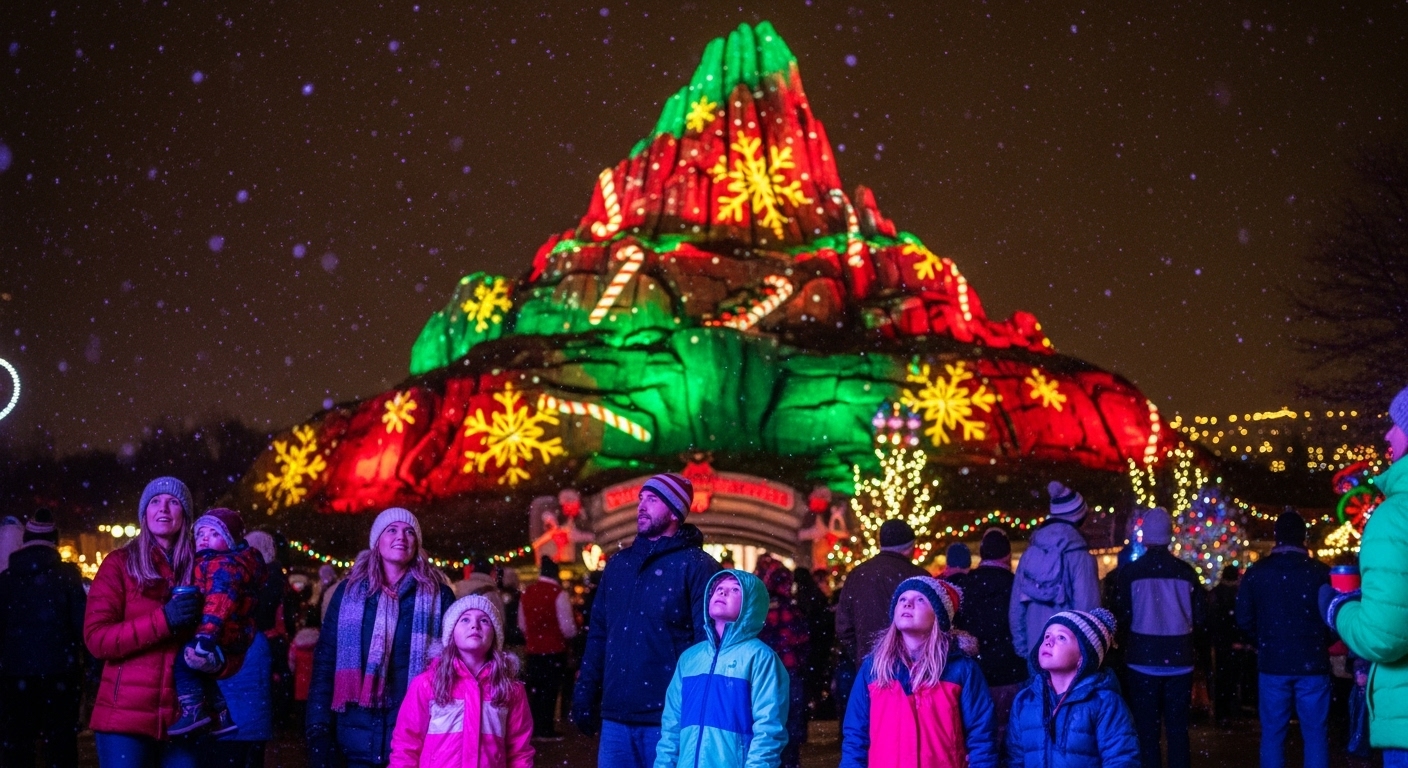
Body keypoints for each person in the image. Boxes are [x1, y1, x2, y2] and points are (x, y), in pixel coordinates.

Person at [572, 473, 720, 768]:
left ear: (675, 511)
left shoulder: (697, 566)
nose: (642, 506)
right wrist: (585, 690)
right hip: (615, 716)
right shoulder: (618, 565)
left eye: (653, 499)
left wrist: (698, 708)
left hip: (667, 718)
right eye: (641, 499)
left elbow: (707, 645)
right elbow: (599, 633)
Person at [307, 507, 455, 768]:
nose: (402, 537)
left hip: (413, 741)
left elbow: (452, 669)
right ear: (377, 541)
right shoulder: (347, 593)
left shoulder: (439, 597)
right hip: (353, 739)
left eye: (410, 532)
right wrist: (318, 730)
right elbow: (326, 662)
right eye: (392, 530)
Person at [85, 476, 204, 767]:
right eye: (155, 502)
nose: (163, 508)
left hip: (183, 721)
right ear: (144, 514)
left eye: (173, 502)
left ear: (185, 515)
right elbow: (97, 639)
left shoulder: (202, 568)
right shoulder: (119, 564)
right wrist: (164, 619)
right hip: (124, 720)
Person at [1324, 388, 1408, 764]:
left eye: (1397, 424)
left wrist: (1338, 608)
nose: (1388, 434)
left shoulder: (1395, 518)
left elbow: (1382, 637)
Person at [840, 576, 998, 768]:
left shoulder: (962, 670)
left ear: (939, 616)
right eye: (902, 599)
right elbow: (856, 736)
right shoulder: (874, 668)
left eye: (920, 599)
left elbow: (981, 736)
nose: (908, 604)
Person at [654, 570, 789, 768]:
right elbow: (671, 727)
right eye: (719, 589)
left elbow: (768, 729)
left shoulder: (760, 657)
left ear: (751, 605)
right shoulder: (690, 659)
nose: (723, 593)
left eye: (735, 589)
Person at [389, 594, 534, 768]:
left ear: (495, 636)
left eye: (485, 621)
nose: (474, 625)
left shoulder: (510, 689)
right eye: (465, 619)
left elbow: (519, 751)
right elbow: (406, 745)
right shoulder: (426, 684)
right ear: (451, 634)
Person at [1237, 510, 1331, 768]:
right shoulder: (1321, 573)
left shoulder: (1257, 573)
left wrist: (1263, 639)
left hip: (1272, 662)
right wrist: (1320, 640)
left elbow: (1243, 617)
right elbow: (1335, 616)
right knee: (1315, 735)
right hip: (1312, 661)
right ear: (1303, 537)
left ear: (1276, 536)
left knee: (1272, 734)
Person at [1114, 507, 1206, 768]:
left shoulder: (1131, 573)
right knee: (1178, 731)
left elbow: (1122, 614)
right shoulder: (1186, 572)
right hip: (1180, 659)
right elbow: (1200, 618)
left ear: (1145, 537)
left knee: (1147, 733)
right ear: (1169, 537)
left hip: (1142, 658)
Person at [0, 508, 88, 767]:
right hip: (60, 673)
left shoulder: (5, 580)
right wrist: (93, 668)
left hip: (14, 675)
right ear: (55, 541)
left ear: (25, 540)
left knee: (16, 744)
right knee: (60, 745)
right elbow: (83, 626)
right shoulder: (68, 577)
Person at [170, 508, 264, 736]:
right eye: (200, 532)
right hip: (226, 636)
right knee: (201, 672)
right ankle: (222, 716)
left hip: (219, 635)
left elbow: (218, 603)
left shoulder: (223, 566)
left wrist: (205, 637)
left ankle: (193, 711)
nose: (204, 537)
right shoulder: (214, 561)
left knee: (184, 663)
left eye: (213, 533)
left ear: (230, 540)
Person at [1006, 608, 1140, 768]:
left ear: (1083, 656)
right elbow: (1015, 760)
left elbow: (1122, 760)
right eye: (1047, 636)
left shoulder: (1105, 703)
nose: (1048, 641)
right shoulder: (1024, 701)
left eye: (1061, 637)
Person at [1010, 482, 1101, 657]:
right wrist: (1087, 655)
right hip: (1069, 656)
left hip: (1037, 651)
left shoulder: (1029, 554)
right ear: (1078, 518)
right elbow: (1088, 610)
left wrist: (1024, 649)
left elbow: (1016, 608)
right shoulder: (1081, 557)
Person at [955, 528, 1027, 736]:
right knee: (1012, 734)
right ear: (1007, 556)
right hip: (1010, 670)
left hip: (975, 673)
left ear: (982, 554)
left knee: (979, 735)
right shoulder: (1015, 586)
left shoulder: (965, 585)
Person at [836, 520, 928, 666]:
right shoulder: (919, 577)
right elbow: (931, 624)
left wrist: (863, 655)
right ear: (909, 547)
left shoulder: (858, 574)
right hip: (910, 668)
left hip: (869, 668)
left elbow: (844, 627)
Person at [754, 555, 810, 768]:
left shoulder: (756, 610)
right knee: (789, 726)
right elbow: (802, 641)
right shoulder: (790, 609)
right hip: (788, 671)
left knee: (764, 725)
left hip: (763, 675)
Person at [518, 555, 578, 741]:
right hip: (554, 651)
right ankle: (546, 729)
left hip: (533, 651)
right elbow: (567, 628)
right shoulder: (558, 593)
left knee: (535, 692)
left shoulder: (527, 592)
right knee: (550, 692)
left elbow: (522, 625)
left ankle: (534, 728)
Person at [1207, 564, 1251, 727]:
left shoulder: (1216, 594)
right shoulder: (1236, 595)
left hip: (1221, 643)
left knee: (1222, 678)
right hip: (1234, 643)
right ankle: (1232, 711)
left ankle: (1222, 713)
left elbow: (1214, 621)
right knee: (1233, 679)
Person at [792, 566, 834, 718]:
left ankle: (811, 708)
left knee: (809, 678)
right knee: (815, 677)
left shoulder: (802, 596)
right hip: (819, 641)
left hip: (811, 642)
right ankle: (816, 706)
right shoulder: (815, 594)